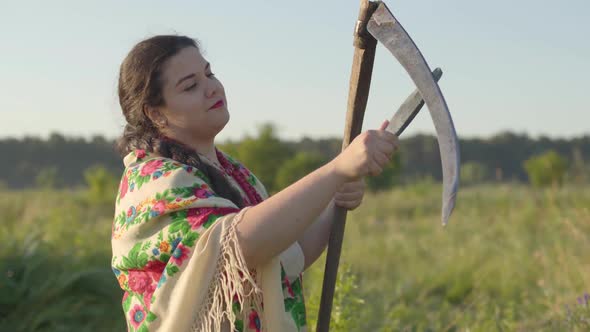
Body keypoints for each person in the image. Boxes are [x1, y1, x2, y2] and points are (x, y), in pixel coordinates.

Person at [110, 34, 399, 332]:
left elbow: (282, 257)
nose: (211, 88)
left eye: (209, 74)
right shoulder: (151, 180)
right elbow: (236, 247)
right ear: (156, 113)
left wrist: (333, 201)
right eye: (191, 85)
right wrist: (337, 169)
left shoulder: (232, 172)